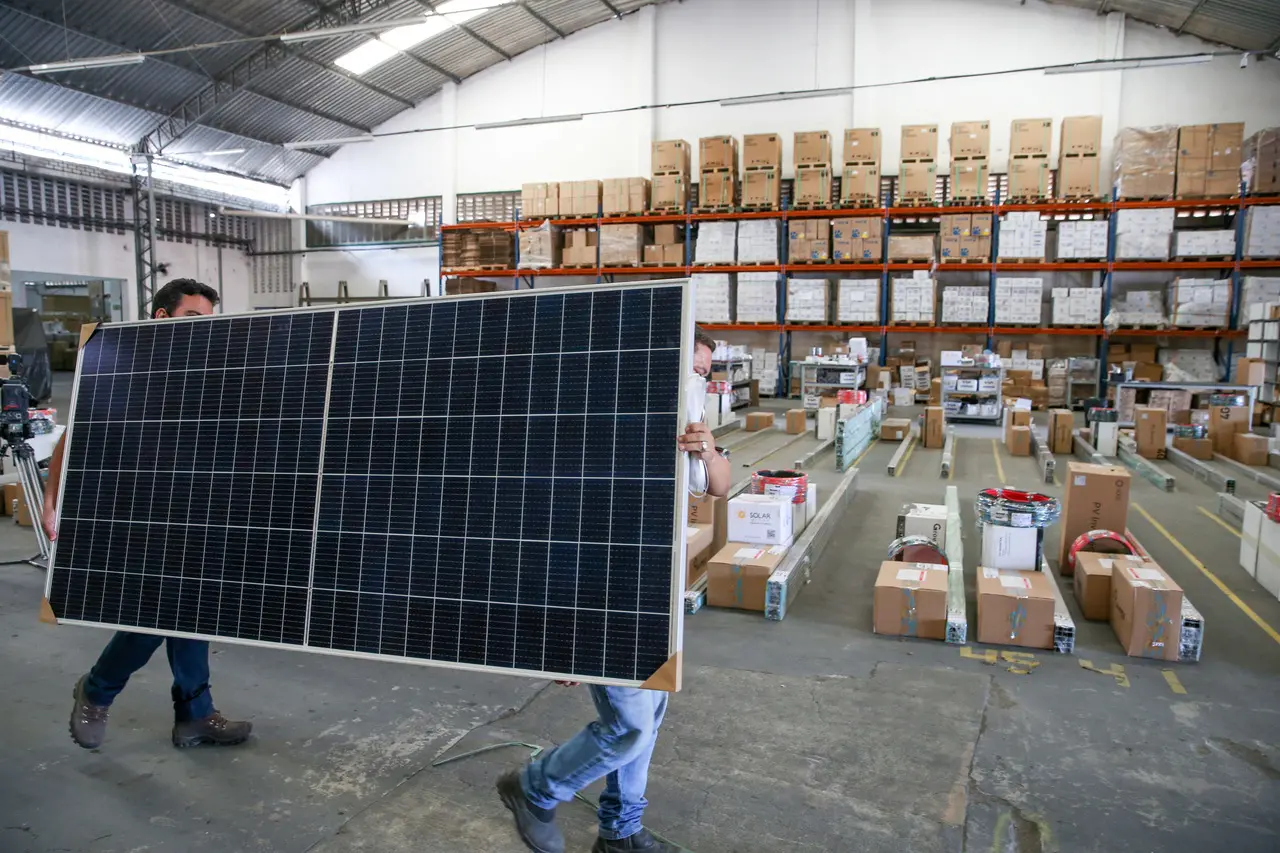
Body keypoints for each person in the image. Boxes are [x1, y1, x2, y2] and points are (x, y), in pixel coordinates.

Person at [497, 327, 731, 853]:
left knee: (649, 716)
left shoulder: (688, 420)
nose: (696, 378)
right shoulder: (598, 422)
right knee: (630, 728)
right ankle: (535, 787)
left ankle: (620, 832)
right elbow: (551, 526)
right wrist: (562, 636)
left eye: (703, 371)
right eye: (690, 367)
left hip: (654, 590)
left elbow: (718, 486)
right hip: (603, 591)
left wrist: (710, 451)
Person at [45, 278, 253, 750]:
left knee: (192, 609)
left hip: (197, 506)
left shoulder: (209, 369)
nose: (203, 329)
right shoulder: (124, 360)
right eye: (192, 317)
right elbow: (75, 433)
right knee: (157, 611)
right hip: (139, 509)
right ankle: (97, 690)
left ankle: (196, 714)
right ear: (162, 316)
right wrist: (51, 497)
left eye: (208, 321)